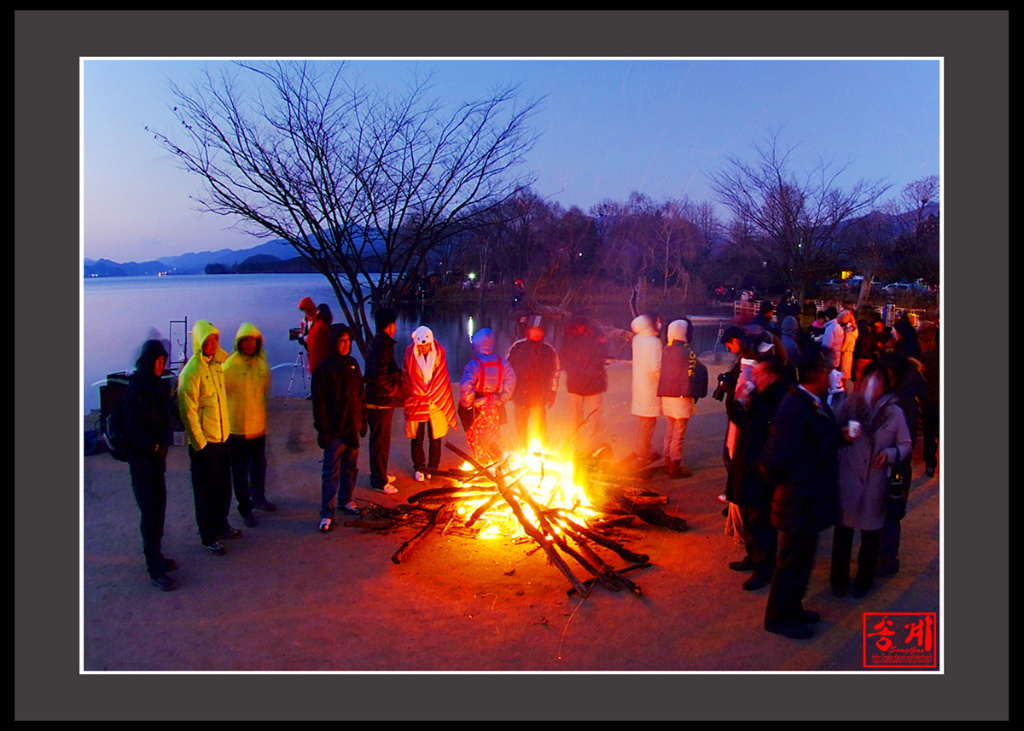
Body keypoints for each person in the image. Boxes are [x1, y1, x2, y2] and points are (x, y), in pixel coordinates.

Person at [758, 352, 842, 639]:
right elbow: (775, 459)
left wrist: (840, 438)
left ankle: (793, 608)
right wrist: (799, 479)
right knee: (790, 561)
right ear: (817, 374)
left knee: (802, 560)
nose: (831, 375)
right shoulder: (795, 406)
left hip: (809, 499)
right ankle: (778, 617)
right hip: (797, 500)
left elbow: (817, 438)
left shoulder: (809, 401)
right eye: (827, 370)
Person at [830, 359, 912, 598]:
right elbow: (831, 432)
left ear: (885, 385)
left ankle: (863, 582)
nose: (871, 385)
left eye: (877, 381)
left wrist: (891, 453)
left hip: (875, 482)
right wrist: (842, 434)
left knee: (870, 536)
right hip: (848, 479)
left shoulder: (894, 413)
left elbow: (905, 444)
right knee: (843, 535)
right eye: (869, 379)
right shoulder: (848, 405)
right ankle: (838, 581)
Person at [725, 355, 790, 591]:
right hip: (749, 463)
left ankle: (765, 566)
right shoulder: (763, 394)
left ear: (772, 375)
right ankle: (753, 557)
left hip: (761, 467)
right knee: (751, 514)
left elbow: (748, 422)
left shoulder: (775, 398)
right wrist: (740, 399)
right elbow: (741, 419)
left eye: (760, 373)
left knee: (761, 519)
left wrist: (741, 401)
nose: (756, 377)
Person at [178, 320, 240, 556]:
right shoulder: (192, 372)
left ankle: (221, 525)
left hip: (223, 439)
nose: (212, 344)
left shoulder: (217, 366)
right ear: (200, 342)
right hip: (205, 445)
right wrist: (200, 444)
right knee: (205, 491)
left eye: (215, 339)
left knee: (224, 487)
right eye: (208, 340)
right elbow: (188, 411)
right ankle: (208, 535)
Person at [124, 339, 177, 591]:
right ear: (148, 360)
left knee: (160, 509)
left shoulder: (157, 385)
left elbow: (163, 418)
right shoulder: (137, 386)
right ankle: (154, 568)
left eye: (163, 361)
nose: (160, 365)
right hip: (142, 463)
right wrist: (153, 446)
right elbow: (134, 426)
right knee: (150, 513)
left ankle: (158, 557)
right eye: (157, 361)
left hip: (157, 461)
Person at [312, 324, 366, 532]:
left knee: (350, 468)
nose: (346, 345)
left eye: (348, 341)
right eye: (341, 341)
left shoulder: (352, 364)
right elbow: (320, 404)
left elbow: (360, 395)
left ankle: (346, 500)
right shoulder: (323, 369)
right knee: (330, 472)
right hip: (335, 430)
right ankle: (327, 512)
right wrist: (323, 430)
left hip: (352, 427)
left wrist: (363, 420)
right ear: (334, 343)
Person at [223, 322, 275, 528]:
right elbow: (223, 393)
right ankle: (245, 508)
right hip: (236, 429)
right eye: (245, 341)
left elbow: (265, 391)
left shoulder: (262, 364)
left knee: (258, 466)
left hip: (258, 427)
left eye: (253, 341)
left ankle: (259, 499)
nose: (249, 345)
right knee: (239, 470)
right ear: (239, 343)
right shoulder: (230, 366)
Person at [402, 325, 457, 482]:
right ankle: (419, 467)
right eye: (421, 345)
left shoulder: (440, 352)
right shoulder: (409, 354)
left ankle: (433, 466)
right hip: (416, 400)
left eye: (426, 345)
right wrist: (415, 390)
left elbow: (442, 375)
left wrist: (433, 391)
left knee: (435, 436)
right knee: (417, 436)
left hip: (435, 398)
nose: (424, 348)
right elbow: (406, 376)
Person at [364, 307, 405, 495]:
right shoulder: (382, 345)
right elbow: (380, 376)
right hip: (379, 401)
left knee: (381, 441)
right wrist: (394, 390)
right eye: (393, 323)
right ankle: (378, 481)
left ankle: (380, 474)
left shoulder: (379, 342)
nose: (395, 327)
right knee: (380, 442)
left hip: (378, 399)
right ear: (389, 325)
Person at [459, 328, 516, 459]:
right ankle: (495, 459)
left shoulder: (474, 364)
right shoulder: (501, 361)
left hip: (477, 407)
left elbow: (466, 385)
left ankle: (482, 460)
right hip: (494, 406)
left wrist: (467, 404)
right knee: (493, 433)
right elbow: (511, 378)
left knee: (477, 434)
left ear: (477, 345)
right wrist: (503, 398)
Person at [506, 318, 560, 448]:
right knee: (520, 423)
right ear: (528, 331)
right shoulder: (517, 347)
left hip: (539, 394)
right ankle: (523, 448)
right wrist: (506, 390)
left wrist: (552, 392)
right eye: (533, 330)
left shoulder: (549, 350)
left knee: (539, 424)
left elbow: (555, 373)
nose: (535, 333)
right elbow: (506, 369)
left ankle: (539, 449)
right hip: (520, 393)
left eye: (538, 331)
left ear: (543, 332)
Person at [559, 314, 608, 455]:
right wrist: (573, 371)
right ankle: (575, 445)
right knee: (574, 416)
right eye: (578, 324)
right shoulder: (569, 336)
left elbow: (601, 354)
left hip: (594, 383)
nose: (580, 327)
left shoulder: (596, 335)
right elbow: (564, 357)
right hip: (575, 383)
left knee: (594, 416)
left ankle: (592, 446)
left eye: (582, 324)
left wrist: (592, 371)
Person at [656, 319, 699, 478]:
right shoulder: (688, 353)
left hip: (667, 396)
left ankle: (667, 461)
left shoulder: (666, 350)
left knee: (670, 430)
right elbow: (692, 376)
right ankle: (675, 466)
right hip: (682, 397)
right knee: (679, 434)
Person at [629, 314, 662, 469]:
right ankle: (643, 453)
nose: (659, 324)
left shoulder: (637, 340)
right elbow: (656, 367)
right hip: (651, 386)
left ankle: (642, 449)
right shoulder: (654, 342)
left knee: (643, 420)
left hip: (640, 384)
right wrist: (663, 381)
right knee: (648, 421)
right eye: (657, 321)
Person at [306, 303, 333, 375]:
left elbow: (311, 342)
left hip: (317, 364)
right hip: (326, 363)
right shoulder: (326, 326)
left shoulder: (317, 326)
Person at [820, 306, 844, 370]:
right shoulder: (838, 326)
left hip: (829, 358)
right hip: (836, 358)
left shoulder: (830, 328)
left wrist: (821, 352)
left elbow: (827, 345)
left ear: (827, 318)